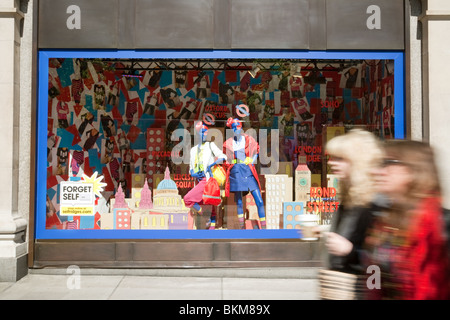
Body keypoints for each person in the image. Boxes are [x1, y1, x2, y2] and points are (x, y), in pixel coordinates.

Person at [364, 140, 450, 300]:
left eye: (388, 163)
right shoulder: (383, 223)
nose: (377, 171)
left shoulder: (442, 224)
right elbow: (373, 278)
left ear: (414, 170)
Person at [318, 129, 384, 300]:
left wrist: (350, 250)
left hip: (360, 291)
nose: (332, 163)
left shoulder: (375, 202)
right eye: (333, 158)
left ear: (357, 162)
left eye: (340, 159)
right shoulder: (350, 196)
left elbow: (382, 259)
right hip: (340, 287)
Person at [223, 117, 266, 229]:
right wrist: (230, 165)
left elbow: (257, 150)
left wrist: (252, 160)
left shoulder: (248, 139)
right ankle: (242, 228)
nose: (235, 129)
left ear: (241, 127)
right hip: (236, 171)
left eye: (237, 127)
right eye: (233, 127)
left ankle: (264, 228)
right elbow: (226, 160)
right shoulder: (228, 143)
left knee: (259, 200)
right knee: (239, 202)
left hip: (248, 169)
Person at [183, 122, 226, 230]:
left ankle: (207, 221)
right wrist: (193, 173)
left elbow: (223, 156)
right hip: (198, 180)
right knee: (208, 204)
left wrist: (212, 164)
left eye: (205, 132)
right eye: (201, 132)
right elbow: (190, 168)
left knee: (188, 199)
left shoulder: (210, 145)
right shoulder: (192, 150)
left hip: (207, 180)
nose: (203, 134)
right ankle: (209, 225)